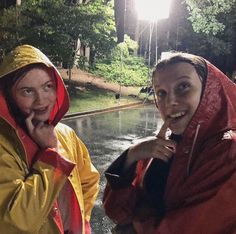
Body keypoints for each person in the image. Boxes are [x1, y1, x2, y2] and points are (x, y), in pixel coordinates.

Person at [103, 52, 236, 234]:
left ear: (208, 90)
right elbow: (117, 212)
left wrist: (134, 228)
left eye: (183, 86)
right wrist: (131, 156)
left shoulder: (228, 149)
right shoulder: (163, 145)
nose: (170, 102)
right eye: (161, 93)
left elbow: (191, 227)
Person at [0, 44, 100, 234]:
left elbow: (89, 180)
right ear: (8, 98)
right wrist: (51, 156)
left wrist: (81, 224)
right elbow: (17, 222)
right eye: (27, 91)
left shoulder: (64, 134)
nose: (41, 100)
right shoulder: (4, 147)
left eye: (47, 87)